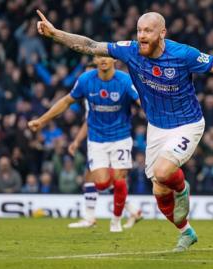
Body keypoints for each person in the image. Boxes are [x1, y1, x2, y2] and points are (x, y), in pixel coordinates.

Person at [34, 10, 213, 251]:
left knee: (163, 172)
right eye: (139, 30)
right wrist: (56, 34)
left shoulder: (184, 55)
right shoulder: (131, 51)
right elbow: (90, 46)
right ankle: (186, 232)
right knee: (158, 189)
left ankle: (182, 188)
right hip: (157, 127)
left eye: (148, 31)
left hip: (187, 124)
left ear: (162, 33)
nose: (142, 35)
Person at [28, 55, 141, 232]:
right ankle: (129, 207)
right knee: (102, 183)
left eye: (107, 56)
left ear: (115, 60)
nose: (103, 59)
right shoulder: (86, 80)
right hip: (96, 139)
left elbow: (142, 101)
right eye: (99, 56)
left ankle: (116, 221)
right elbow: (66, 101)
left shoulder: (125, 80)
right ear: (95, 59)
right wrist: (42, 120)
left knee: (119, 180)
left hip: (121, 136)